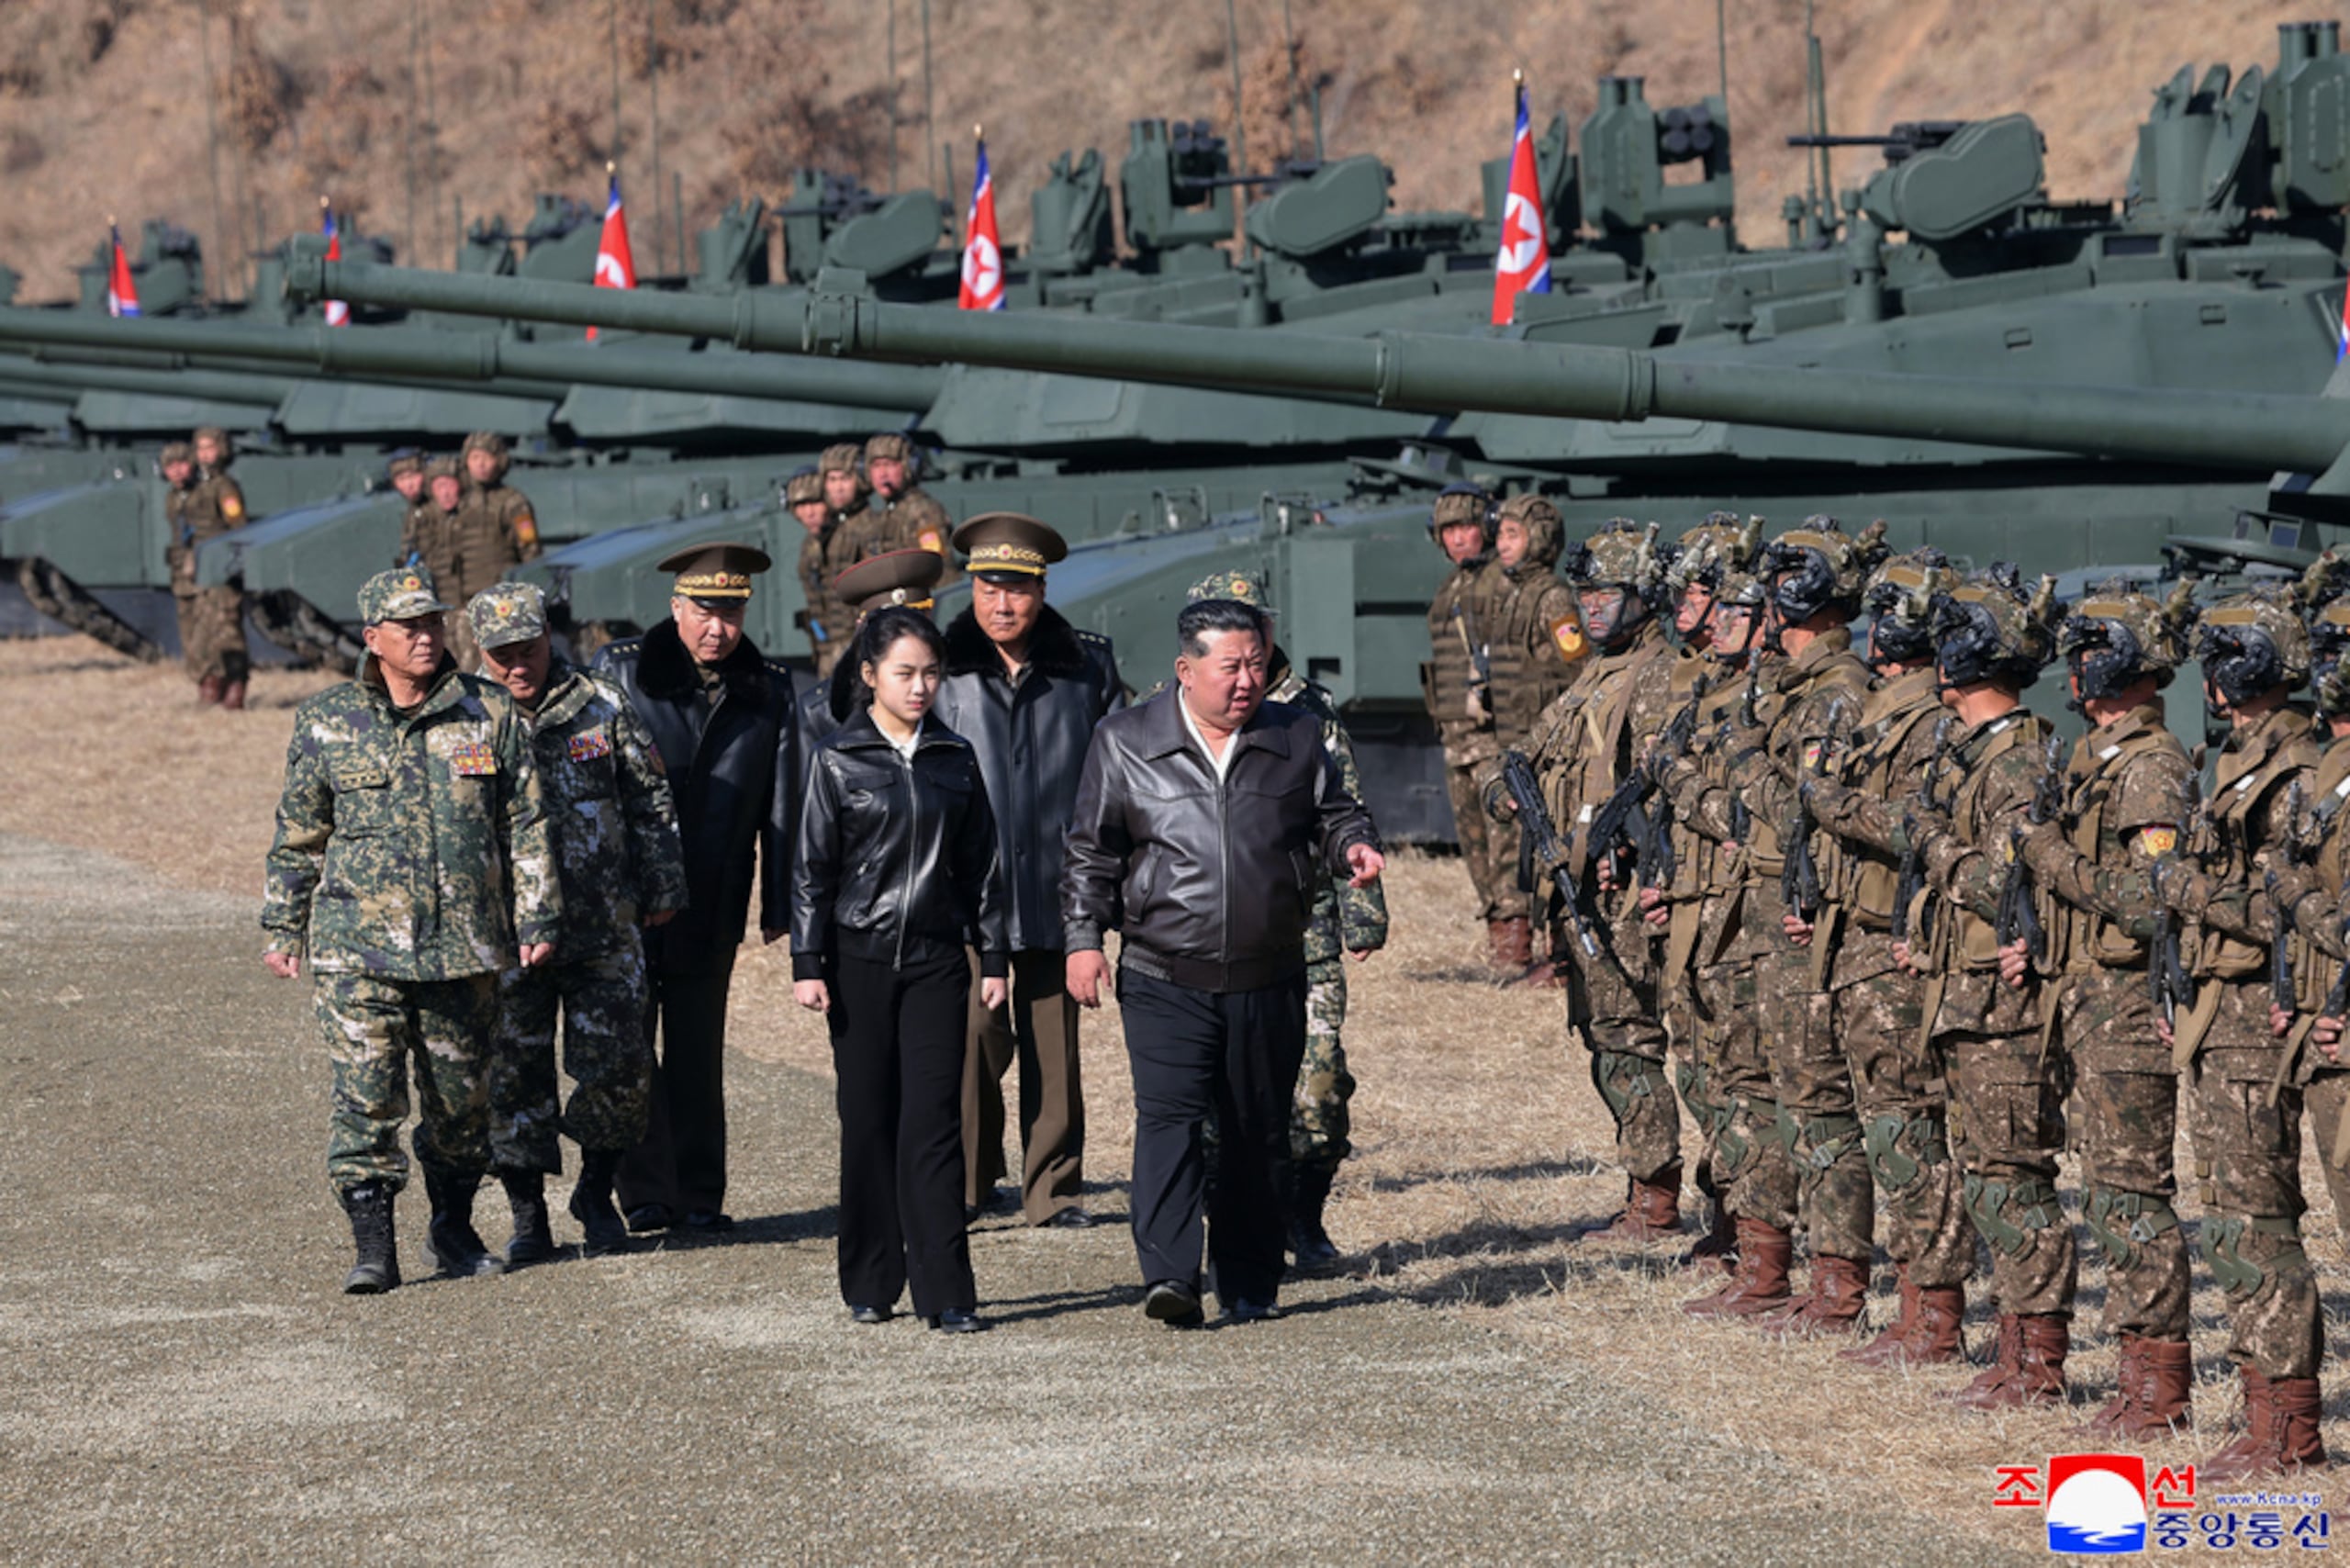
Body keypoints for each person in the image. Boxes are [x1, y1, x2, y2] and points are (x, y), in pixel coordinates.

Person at [1062, 597, 1384, 1327]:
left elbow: (1336, 816)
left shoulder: (1297, 736)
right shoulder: (1124, 739)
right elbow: (1091, 851)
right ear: (1185, 668)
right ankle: (1172, 1275)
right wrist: (1083, 938)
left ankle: (1249, 1283)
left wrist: (1352, 848)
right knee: (1170, 1122)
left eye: (1257, 665)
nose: (1247, 680)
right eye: (1230, 665)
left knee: (1257, 1127)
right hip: (1162, 970)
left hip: (1269, 970)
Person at [261, 568, 560, 1293]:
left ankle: (452, 1229)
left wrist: (539, 912)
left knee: (462, 1106)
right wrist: (283, 925)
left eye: (433, 624)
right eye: (410, 627)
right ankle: (373, 1249)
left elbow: (525, 822)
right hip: (357, 952)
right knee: (366, 1098)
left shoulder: (486, 711)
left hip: (464, 947)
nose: (427, 637)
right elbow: (299, 832)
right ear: (374, 640)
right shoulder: (329, 719)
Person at [2141, 586, 2325, 1478]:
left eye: (2217, 658)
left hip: (2258, 1017)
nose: (2204, 676)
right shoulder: (2241, 762)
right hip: (2224, 1016)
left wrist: (2178, 887)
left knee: (2256, 1223)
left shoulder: (2294, 771)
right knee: (2230, 1220)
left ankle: (2287, 1429)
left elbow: (2280, 909)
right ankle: (2262, 1415)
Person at [2008, 580, 2199, 1435]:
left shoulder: (2151, 767)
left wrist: (2048, 858)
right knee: (2105, 1190)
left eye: (2093, 654)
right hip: (2078, 998)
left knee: (2130, 1198)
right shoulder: (2098, 758)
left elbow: (2147, 902)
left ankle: (2156, 1391)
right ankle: (2129, 1380)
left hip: (2122, 1010)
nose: (2077, 671)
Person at [792, 608, 1011, 1332]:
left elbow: (983, 867)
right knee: (867, 1121)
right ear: (869, 676)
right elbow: (811, 870)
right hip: (856, 962)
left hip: (937, 963)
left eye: (930, 674)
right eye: (904, 673)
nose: (920, 688)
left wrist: (995, 955)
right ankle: (869, 1280)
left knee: (934, 1124)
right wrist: (807, 961)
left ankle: (947, 1292)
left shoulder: (956, 758)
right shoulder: (835, 758)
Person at [1785, 545, 1975, 1355]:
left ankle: (1932, 1314)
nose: (1872, 623)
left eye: (1890, 610)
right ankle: (1870, 1291)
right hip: (1848, 938)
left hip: (1892, 949)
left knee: (1909, 1134)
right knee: (1871, 1124)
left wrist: (1833, 805)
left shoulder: (1932, 722)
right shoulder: (1878, 710)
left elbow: (1915, 829)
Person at [467, 582, 688, 1265]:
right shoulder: (464, 717)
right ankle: (528, 1216)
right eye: (501, 653)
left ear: (549, 638)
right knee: (512, 1077)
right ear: (480, 650)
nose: (516, 664)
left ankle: (596, 1193)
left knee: (620, 1067)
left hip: (603, 924)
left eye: (528, 647)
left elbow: (649, 798)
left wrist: (662, 882)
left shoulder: (601, 702)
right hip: (508, 936)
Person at [1902, 568, 2076, 1406]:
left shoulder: (2017, 760)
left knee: (2013, 1174)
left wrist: (1933, 844)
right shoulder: (1974, 754)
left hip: (2002, 1006)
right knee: (1986, 1172)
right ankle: (2012, 1351)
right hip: (1964, 993)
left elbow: (2007, 884)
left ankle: (2037, 1366)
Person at [1483, 520, 1684, 1241]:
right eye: (1587, 592)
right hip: (1580, 890)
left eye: (1609, 593)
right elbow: (1520, 757)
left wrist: (1630, 855)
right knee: (1607, 1040)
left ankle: (1658, 1200)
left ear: (1645, 597)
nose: (1591, 607)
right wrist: (1504, 793)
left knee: (1630, 1041)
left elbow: (1662, 788)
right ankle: (1645, 1189)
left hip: (1624, 893)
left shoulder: (1658, 675)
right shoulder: (1590, 679)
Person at [1182, 570, 1388, 1268]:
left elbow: (1347, 807)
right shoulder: (1170, 708)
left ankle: (1305, 1218)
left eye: (1259, 623)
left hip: (1308, 931)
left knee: (1320, 1085)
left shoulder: (1309, 711)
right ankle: (1229, 1229)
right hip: (1211, 934)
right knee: (1216, 1097)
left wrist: (1363, 912)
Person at [594, 543, 799, 1234]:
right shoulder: (621, 675)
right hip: (629, 900)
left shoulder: (768, 687)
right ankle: (644, 1191)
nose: (719, 627)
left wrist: (779, 902)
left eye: (732, 611)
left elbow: (782, 803)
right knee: (630, 1046)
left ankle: (701, 1194)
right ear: (676, 607)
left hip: (714, 896)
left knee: (697, 1047)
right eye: (705, 611)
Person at [933, 512, 1125, 1229]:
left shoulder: (1089, 668)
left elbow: (1117, 775)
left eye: (1016, 590)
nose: (1001, 605)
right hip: (967, 888)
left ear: (1041, 592)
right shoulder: (940, 666)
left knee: (1054, 1041)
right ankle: (973, 1180)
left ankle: (1055, 1189)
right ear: (971, 589)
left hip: (1057, 881)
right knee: (974, 1039)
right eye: (988, 588)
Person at [1475, 494, 1588, 986]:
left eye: (1514, 534)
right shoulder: (1510, 594)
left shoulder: (1553, 599)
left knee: (1551, 849)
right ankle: (1519, 949)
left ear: (1539, 540)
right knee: (1513, 853)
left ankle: (1560, 957)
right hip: (1516, 745)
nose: (1502, 543)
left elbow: (1579, 667)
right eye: (1500, 534)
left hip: (1547, 751)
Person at [1422, 485, 1514, 970]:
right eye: (1449, 530)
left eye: (1467, 527)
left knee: (1506, 848)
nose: (1458, 539)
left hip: (1493, 739)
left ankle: (1517, 947)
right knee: (1475, 849)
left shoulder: (1501, 583)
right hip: (1457, 737)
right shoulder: (1452, 588)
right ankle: (1500, 938)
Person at [799, 548, 946, 761]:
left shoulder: (962, 691)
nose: (905, 635)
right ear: (861, 627)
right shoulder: (820, 711)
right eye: (889, 627)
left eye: (916, 621)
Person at [179, 426, 252, 710]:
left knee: (228, 630)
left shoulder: (225, 487)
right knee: (203, 632)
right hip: (200, 568)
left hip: (220, 567)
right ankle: (211, 684)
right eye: (200, 449)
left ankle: (236, 685)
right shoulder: (195, 487)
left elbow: (237, 524)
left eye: (210, 448)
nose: (205, 454)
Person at [856, 431, 959, 582]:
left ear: (908, 467)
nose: (882, 474)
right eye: (876, 466)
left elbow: (941, 572)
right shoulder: (884, 514)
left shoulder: (923, 512)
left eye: (890, 465)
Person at [784, 465, 846, 673]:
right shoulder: (809, 545)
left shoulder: (849, 537)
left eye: (815, 502)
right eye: (801, 504)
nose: (809, 512)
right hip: (826, 649)